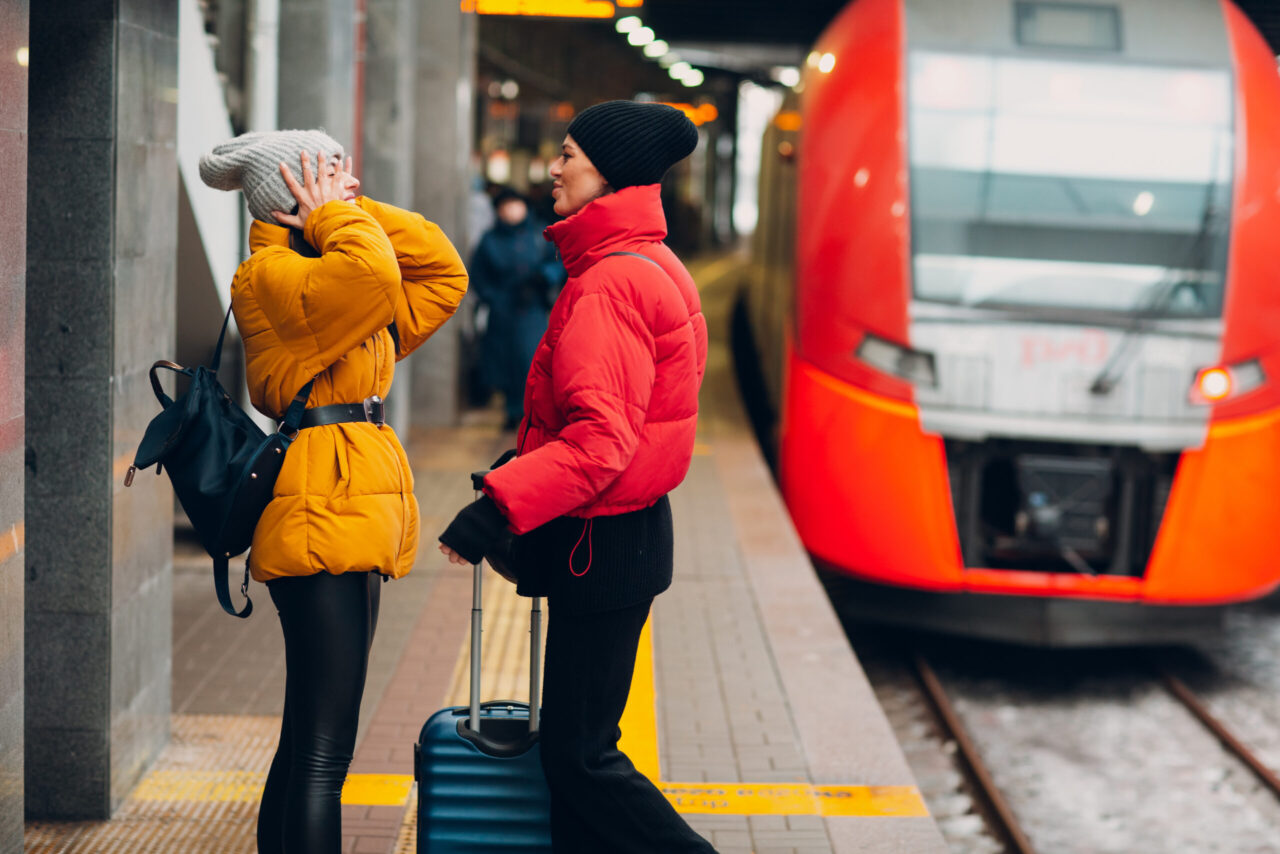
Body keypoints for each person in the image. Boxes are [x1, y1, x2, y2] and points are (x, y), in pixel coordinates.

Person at [438, 101, 716, 853]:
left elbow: (601, 441)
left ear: (609, 171)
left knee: (581, 758)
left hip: (603, 543)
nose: (552, 169)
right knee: (576, 757)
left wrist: (497, 508)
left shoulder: (611, 283)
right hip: (623, 539)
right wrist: (522, 466)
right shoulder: (647, 263)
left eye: (568, 154)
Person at [198, 129, 468, 854]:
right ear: (292, 197)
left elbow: (441, 273)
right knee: (325, 750)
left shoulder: (334, 267)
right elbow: (379, 281)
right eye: (330, 171)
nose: (348, 181)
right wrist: (329, 217)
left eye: (345, 169)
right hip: (323, 505)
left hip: (345, 504)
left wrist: (344, 205)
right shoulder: (274, 276)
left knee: (309, 736)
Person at [469, 186, 566, 429]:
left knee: (532, 358)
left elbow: (557, 262)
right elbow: (477, 275)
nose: (511, 211)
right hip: (502, 311)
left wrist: (544, 277)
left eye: (515, 205)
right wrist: (492, 297)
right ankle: (513, 410)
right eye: (505, 207)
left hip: (532, 308)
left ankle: (532, 411)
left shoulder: (540, 234)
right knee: (504, 362)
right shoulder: (489, 240)